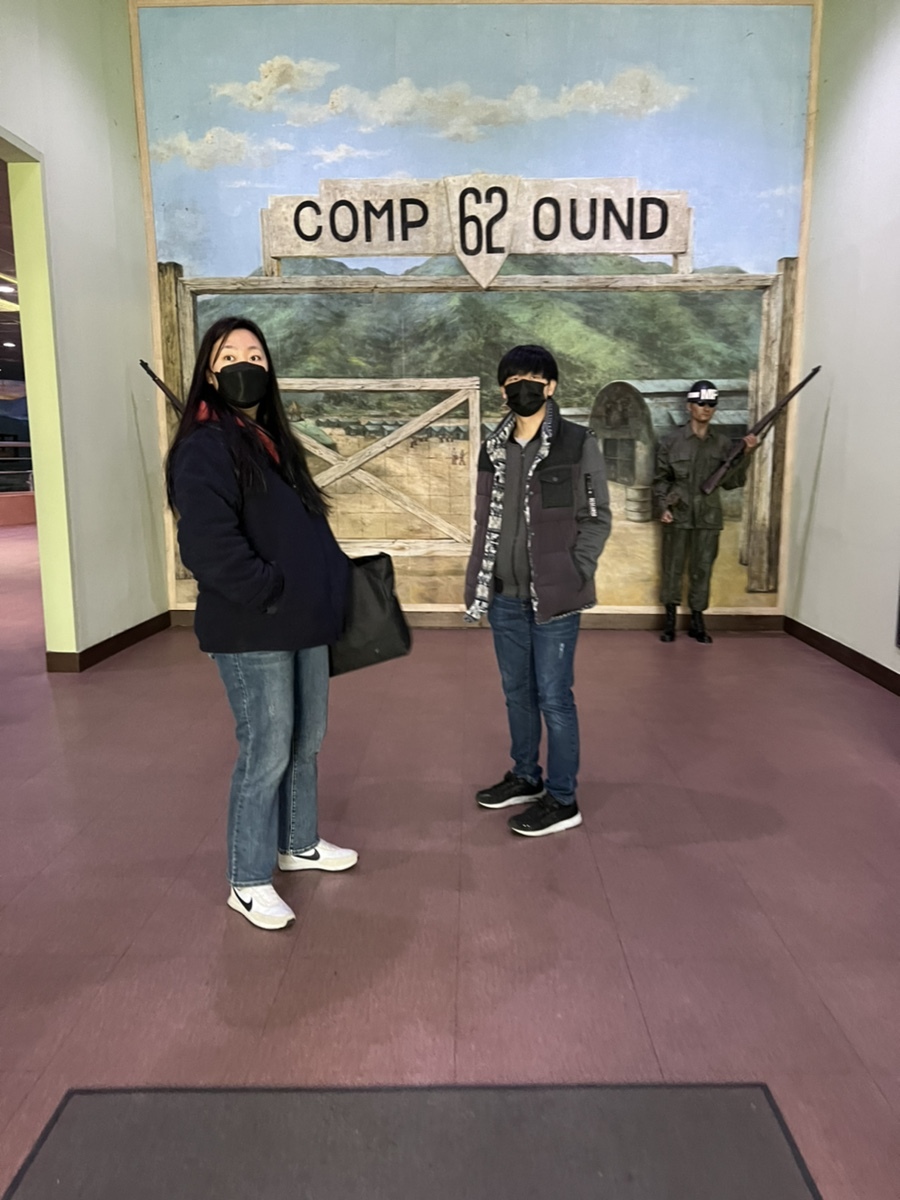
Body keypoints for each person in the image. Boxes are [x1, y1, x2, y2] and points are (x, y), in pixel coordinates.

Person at [166, 316, 357, 931]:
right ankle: (247, 880)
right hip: (253, 626)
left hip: (303, 622)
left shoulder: (271, 441)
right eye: (229, 357)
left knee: (307, 738)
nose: (244, 365)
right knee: (266, 750)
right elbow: (206, 546)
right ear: (209, 373)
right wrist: (269, 591)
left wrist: (330, 588)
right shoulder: (205, 446)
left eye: (255, 355)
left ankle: (298, 842)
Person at [465, 345, 611, 837]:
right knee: (517, 693)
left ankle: (563, 798)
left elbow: (596, 517)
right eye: (512, 380)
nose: (521, 387)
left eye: (531, 378)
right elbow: (484, 520)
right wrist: (480, 580)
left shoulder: (577, 442)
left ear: (550, 386)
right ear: (502, 389)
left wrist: (574, 570)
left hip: (555, 599)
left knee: (554, 697)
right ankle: (525, 776)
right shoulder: (493, 445)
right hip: (504, 596)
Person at [652, 380, 759, 644]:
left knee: (702, 568)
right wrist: (663, 507)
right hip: (679, 512)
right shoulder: (671, 442)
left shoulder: (722, 444)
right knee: (672, 567)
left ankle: (697, 621)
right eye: (701, 403)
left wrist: (746, 455)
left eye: (711, 404)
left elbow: (732, 482)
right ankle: (669, 620)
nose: (706, 408)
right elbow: (660, 480)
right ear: (689, 406)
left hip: (708, 515)